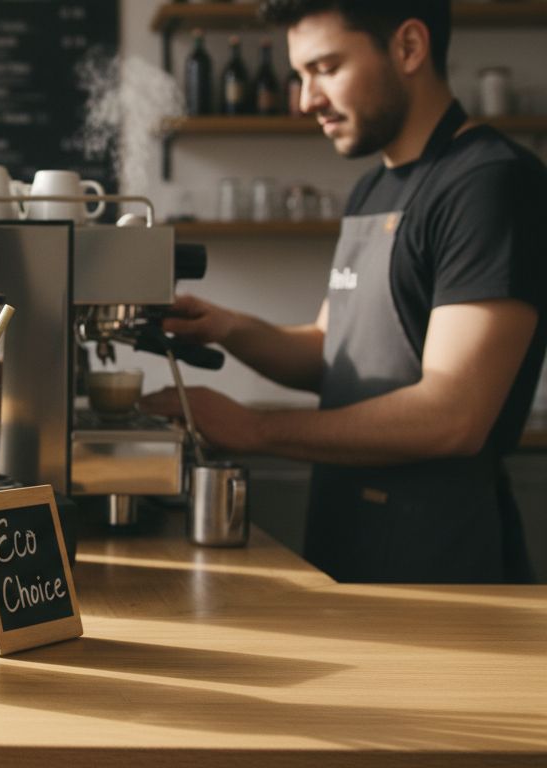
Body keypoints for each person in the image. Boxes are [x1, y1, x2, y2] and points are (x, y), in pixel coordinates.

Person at [142, 0, 546, 584]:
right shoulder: (372, 189)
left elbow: (453, 415)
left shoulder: (489, 184)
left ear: (409, 47)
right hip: (345, 535)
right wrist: (225, 327)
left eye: (326, 69)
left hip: (443, 559)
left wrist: (253, 428)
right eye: (301, 75)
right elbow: (334, 351)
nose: (305, 100)